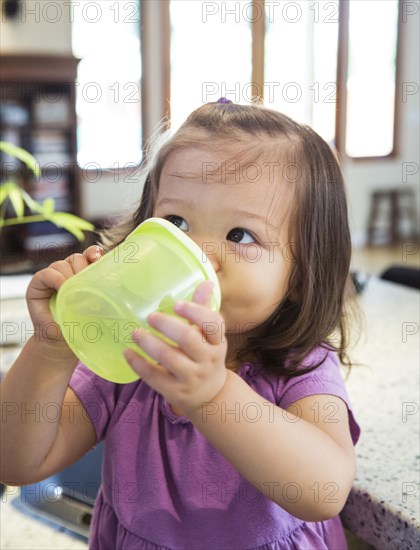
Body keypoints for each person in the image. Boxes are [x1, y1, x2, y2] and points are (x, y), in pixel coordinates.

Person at [1, 100, 361, 550]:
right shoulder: (130, 351)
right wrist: (52, 347)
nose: (196, 253)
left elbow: (324, 492)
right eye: (176, 222)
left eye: (240, 235)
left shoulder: (300, 366)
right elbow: (16, 462)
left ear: (301, 274)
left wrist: (212, 395)